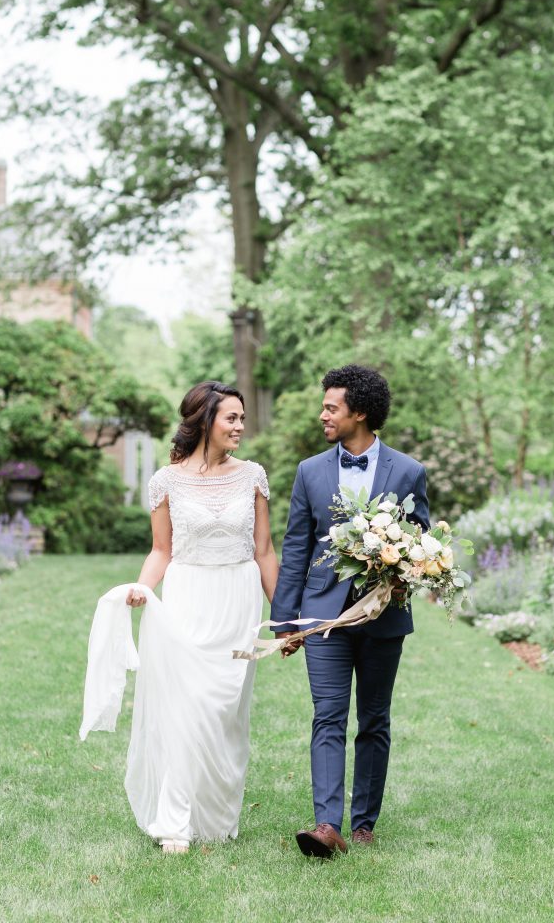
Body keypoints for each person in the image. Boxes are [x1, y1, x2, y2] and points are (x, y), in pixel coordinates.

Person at [80, 381, 277, 854]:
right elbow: (161, 549)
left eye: (242, 418)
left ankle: (216, 814)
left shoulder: (252, 475)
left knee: (225, 714)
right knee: (186, 708)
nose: (240, 426)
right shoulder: (165, 481)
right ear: (204, 420)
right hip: (188, 598)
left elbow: (265, 550)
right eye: (231, 417)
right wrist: (143, 589)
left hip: (239, 600)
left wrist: (286, 616)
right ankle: (175, 820)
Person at [270, 364, 429, 857]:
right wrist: (284, 622)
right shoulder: (309, 471)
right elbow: (296, 548)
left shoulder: (408, 471)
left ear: (359, 413)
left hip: (382, 618)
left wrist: (399, 572)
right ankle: (326, 827)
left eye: (330, 407)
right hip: (322, 617)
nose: (322, 415)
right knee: (328, 716)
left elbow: (421, 546)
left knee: (375, 719)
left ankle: (364, 824)